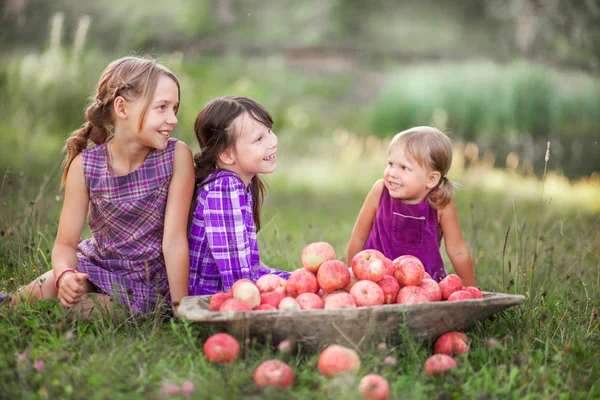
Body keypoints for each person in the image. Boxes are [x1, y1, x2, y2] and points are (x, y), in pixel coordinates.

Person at [10, 56, 195, 315]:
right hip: (97, 267)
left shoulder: (176, 157)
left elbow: (174, 242)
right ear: (121, 108)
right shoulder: (85, 165)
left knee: (90, 310)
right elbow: (65, 244)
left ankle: (53, 312)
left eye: (174, 108)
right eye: (162, 107)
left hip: (146, 283)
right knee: (47, 285)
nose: (173, 118)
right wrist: (66, 275)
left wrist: (181, 309)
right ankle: (9, 307)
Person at [347, 126, 475, 286]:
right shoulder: (380, 191)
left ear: (431, 179)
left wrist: (471, 289)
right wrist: (353, 277)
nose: (392, 172)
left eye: (404, 168)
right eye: (391, 164)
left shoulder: (440, 203)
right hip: (376, 281)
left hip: (422, 287)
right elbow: (359, 236)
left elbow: (458, 250)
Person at [188, 96, 291, 295]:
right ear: (227, 154)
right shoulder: (224, 188)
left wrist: (302, 279)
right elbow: (239, 281)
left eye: (269, 131)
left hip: (230, 292)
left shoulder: (239, 184)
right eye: (259, 139)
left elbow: (251, 271)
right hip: (211, 298)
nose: (273, 142)